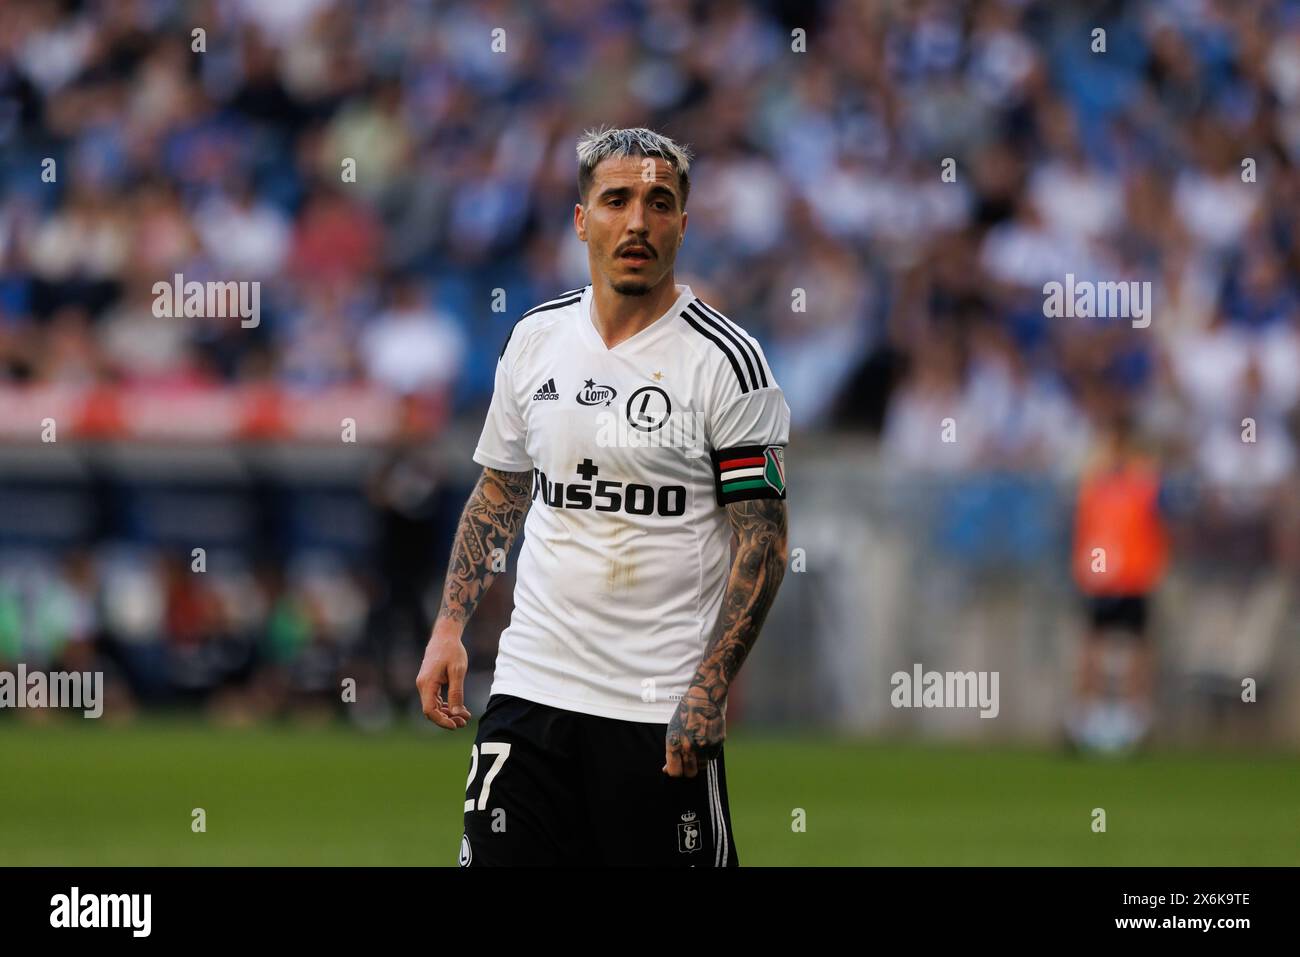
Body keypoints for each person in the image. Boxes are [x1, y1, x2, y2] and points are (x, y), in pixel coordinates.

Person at [416, 127, 790, 865]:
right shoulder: (535, 339)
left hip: (657, 711)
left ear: (684, 222)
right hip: (531, 694)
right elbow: (500, 491)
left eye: (659, 202)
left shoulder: (728, 363)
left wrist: (709, 689)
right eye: (616, 200)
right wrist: (449, 625)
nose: (638, 222)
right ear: (582, 220)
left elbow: (765, 541)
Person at [1068, 412, 1169, 751]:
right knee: (1095, 644)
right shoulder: (1095, 480)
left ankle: (1135, 716)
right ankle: (1085, 716)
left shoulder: (1142, 479)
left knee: (1136, 645)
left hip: (1134, 574)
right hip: (1103, 577)